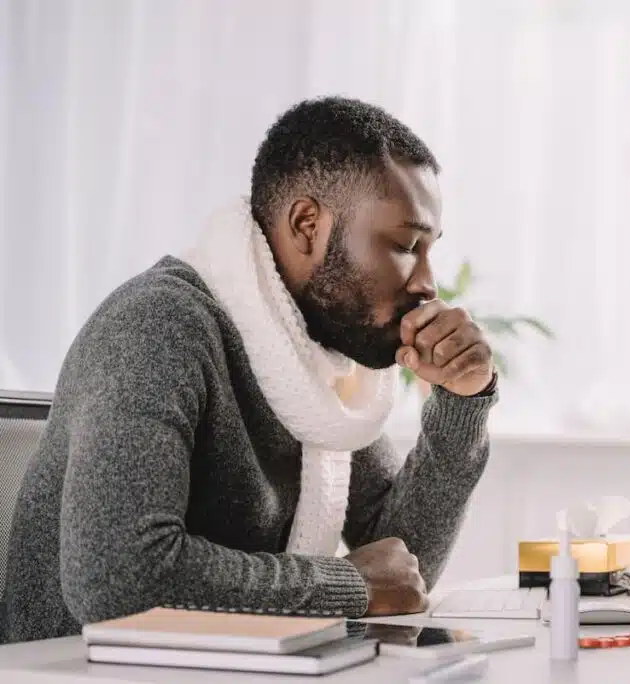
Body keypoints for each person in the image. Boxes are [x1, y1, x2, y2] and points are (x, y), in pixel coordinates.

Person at [2, 97, 498, 644]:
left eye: (429, 251)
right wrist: (344, 586)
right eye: (406, 246)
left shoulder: (320, 367)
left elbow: (401, 574)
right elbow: (117, 577)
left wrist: (461, 403)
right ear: (308, 225)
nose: (428, 282)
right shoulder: (157, 327)